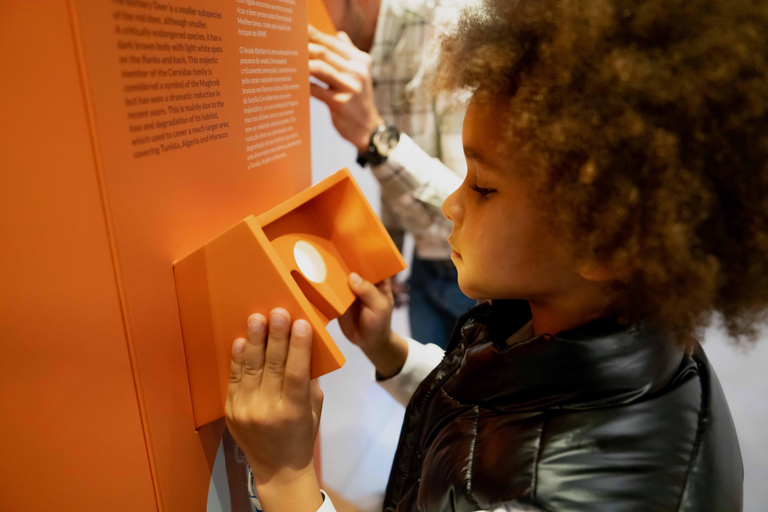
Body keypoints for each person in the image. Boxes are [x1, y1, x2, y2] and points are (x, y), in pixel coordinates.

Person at [225, 0, 768, 510]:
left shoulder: (543, 499)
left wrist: (286, 477)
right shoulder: (606, 336)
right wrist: (389, 350)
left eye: (482, 187)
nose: (452, 205)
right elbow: (498, 412)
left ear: (601, 240)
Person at [308, 0, 475, 347]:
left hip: (478, 281)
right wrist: (389, 255)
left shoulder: (452, 25)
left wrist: (373, 136)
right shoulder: (365, 46)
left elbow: (473, 216)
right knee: (427, 398)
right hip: (426, 268)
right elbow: (394, 171)